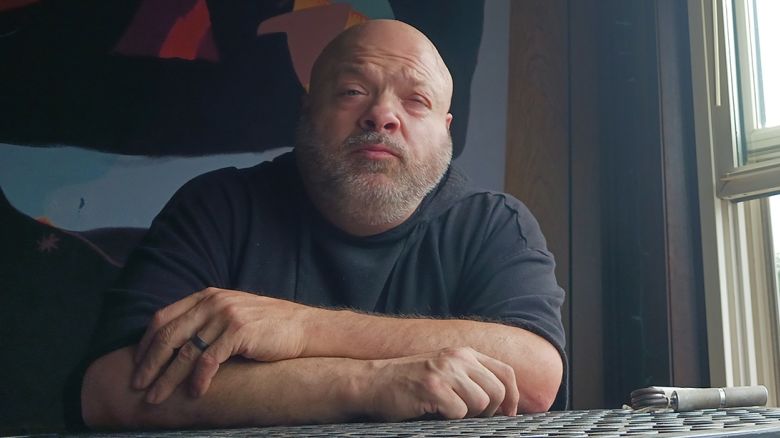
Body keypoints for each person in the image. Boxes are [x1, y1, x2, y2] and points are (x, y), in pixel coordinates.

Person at [78, 19, 566, 430]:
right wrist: (368, 382)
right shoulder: (216, 207)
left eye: (416, 100)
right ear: (307, 108)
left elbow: (537, 373)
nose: (382, 115)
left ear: (446, 129)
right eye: (353, 91)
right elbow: (108, 391)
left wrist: (304, 328)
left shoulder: (493, 225)